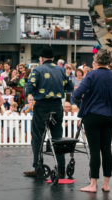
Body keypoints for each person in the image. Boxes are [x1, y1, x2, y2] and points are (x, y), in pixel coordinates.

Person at [72, 49, 112, 193]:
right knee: (106, 149)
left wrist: (85, 96)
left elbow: (76, 95)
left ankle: (93, 184)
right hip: (109, 117)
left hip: (92, 116)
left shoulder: (91, 75)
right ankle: (106, 184)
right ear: (109, 62)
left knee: (95, 150)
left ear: (96, 61)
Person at [24, 46, 73, 178]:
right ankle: (62, 169)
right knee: (58, 138)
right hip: (57, 105)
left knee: (37, 137)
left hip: (42, 106)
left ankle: (38, 167)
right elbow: (71, 86)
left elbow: (29, 87)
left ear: (41, 58)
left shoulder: (37, 70)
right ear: (53, 58)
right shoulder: (61, 70)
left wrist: (34, 93)